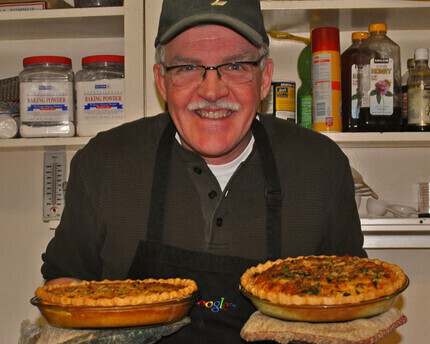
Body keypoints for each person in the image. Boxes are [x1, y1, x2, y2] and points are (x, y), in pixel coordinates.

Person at [41, 0, 366, 342]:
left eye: (236, 65)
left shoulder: (321, 166)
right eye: (187, 68)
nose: (212, 91)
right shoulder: (103, 163)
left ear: (265, 77)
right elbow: (64, 287)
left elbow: (352, 303)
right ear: (162, 82)